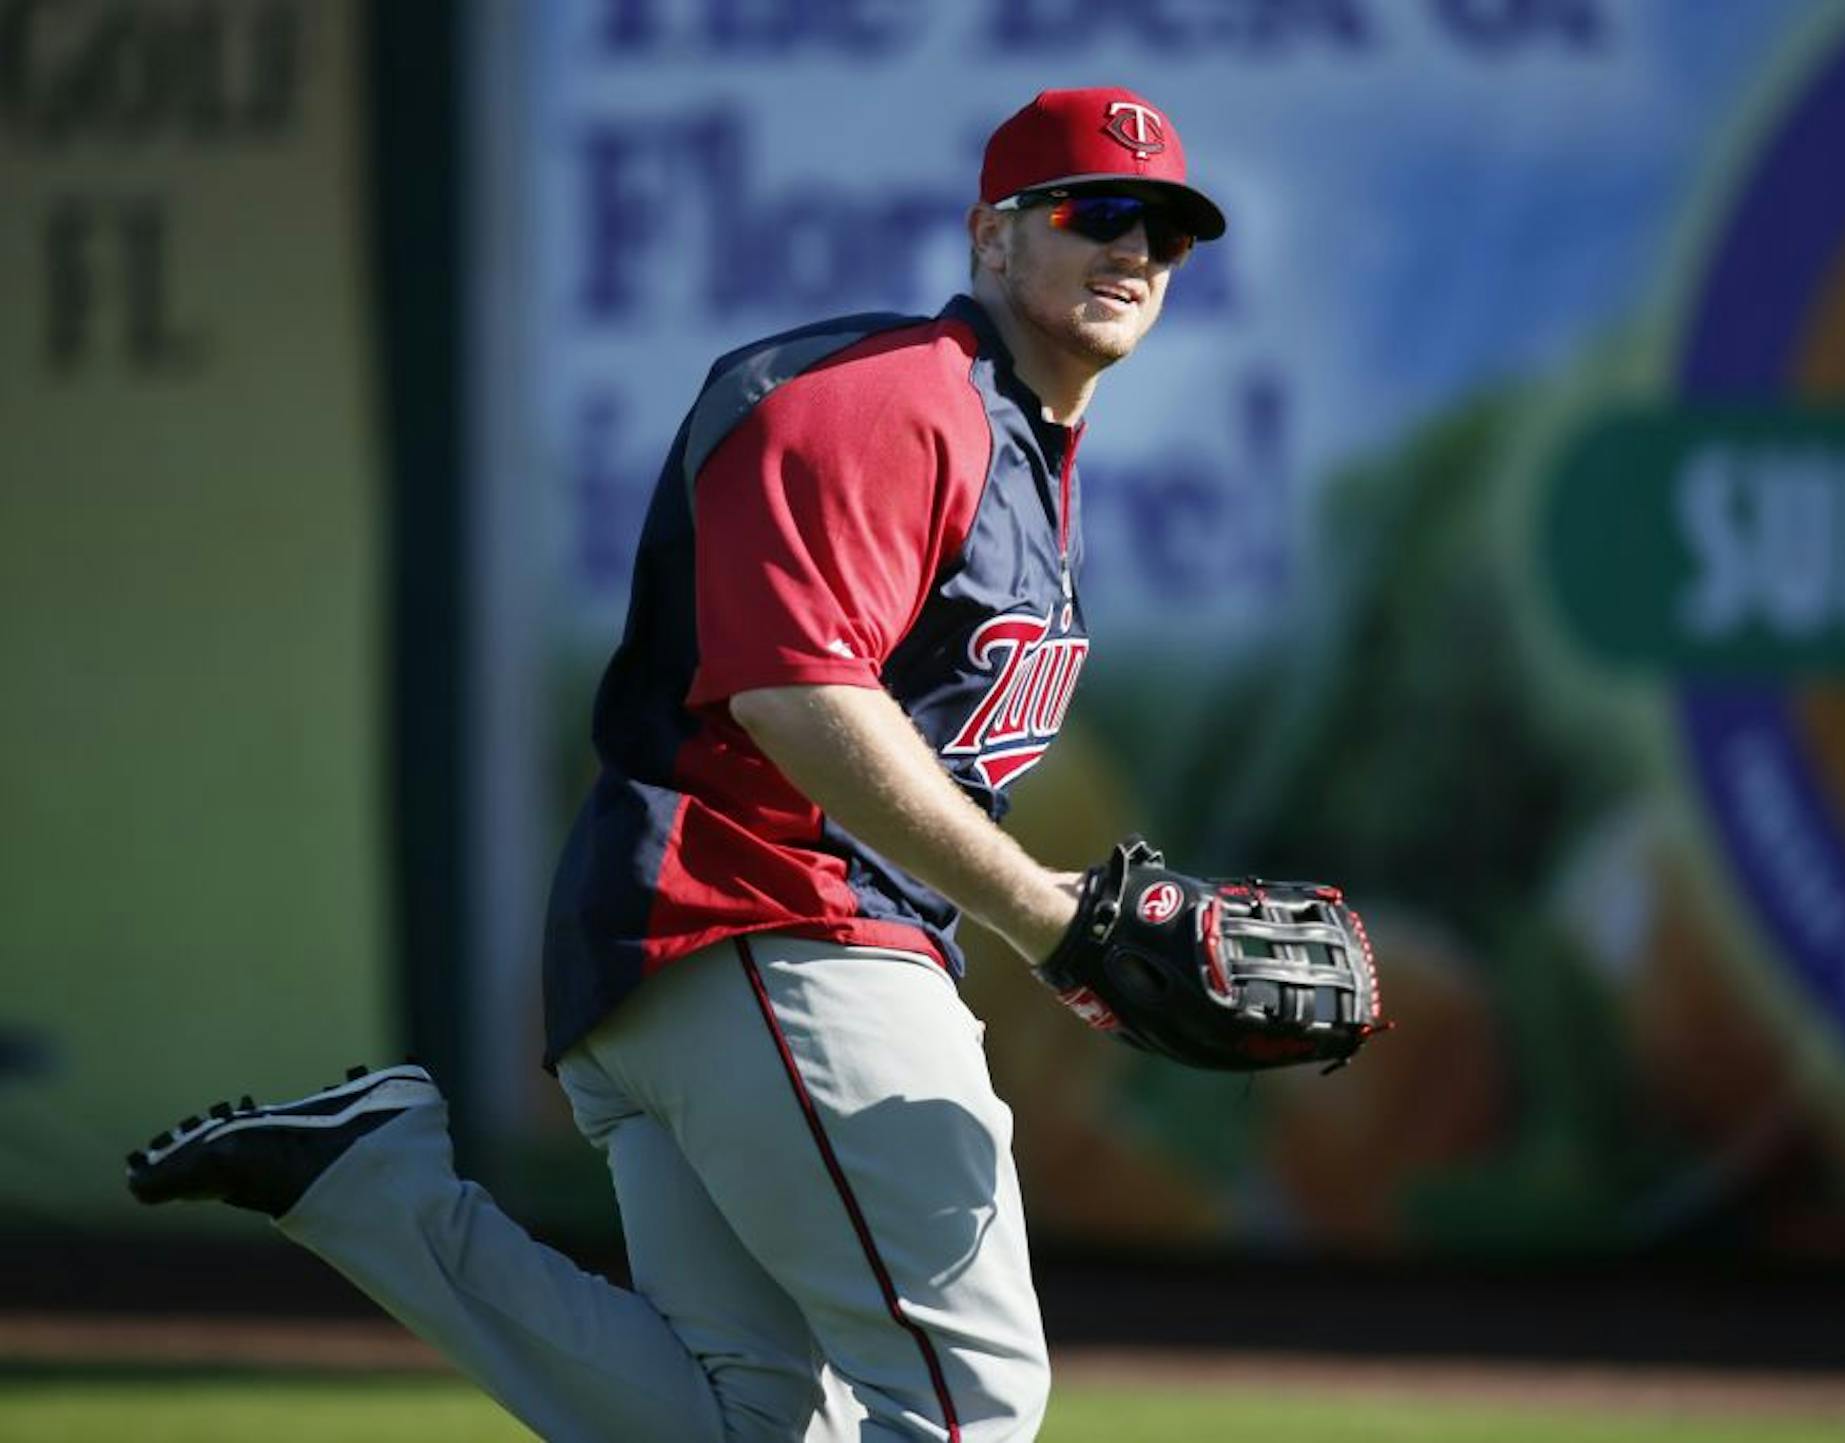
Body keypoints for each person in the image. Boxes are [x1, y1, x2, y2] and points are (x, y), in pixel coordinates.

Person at [126, 86, 1225, 1443]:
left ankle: (370, 1189)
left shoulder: (1022, 450)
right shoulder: (891, 398)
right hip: (773, 924)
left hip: (711, 957)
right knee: (970, 1400)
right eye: (1095, 212)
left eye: (1167, 234)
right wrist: (1052, 921)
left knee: (749, 1422)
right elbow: (794, 691)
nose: (1135, 250)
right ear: (992, 240)